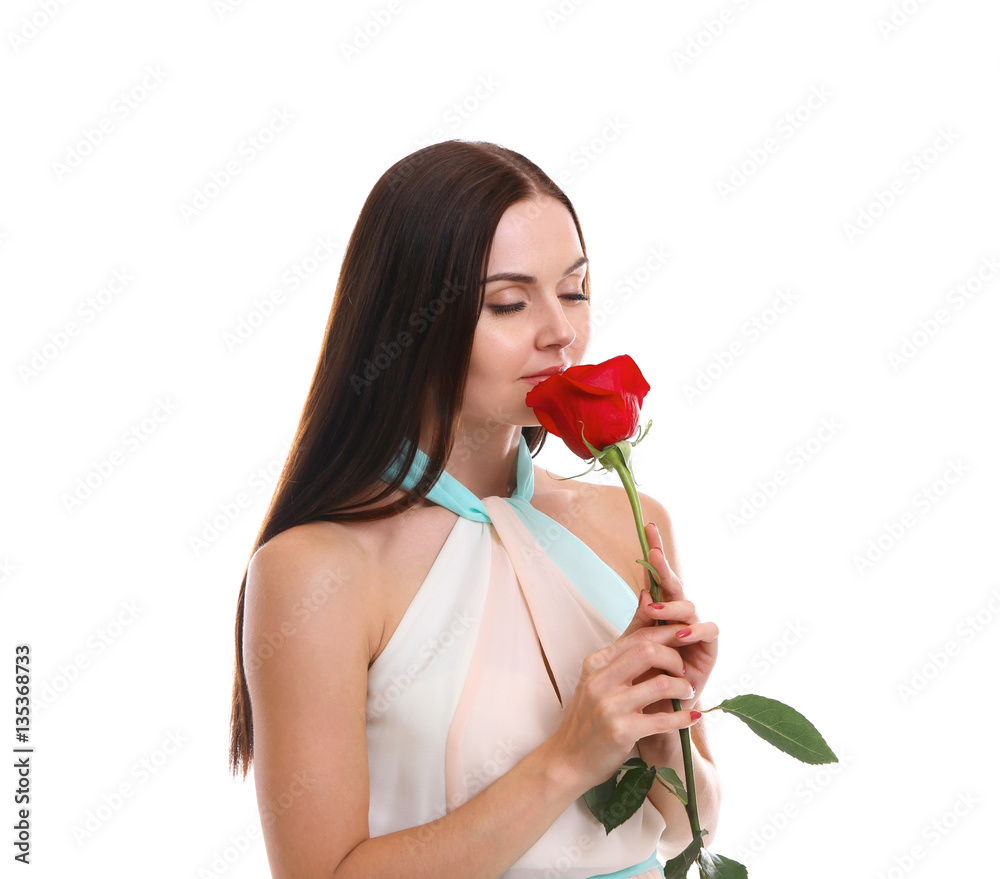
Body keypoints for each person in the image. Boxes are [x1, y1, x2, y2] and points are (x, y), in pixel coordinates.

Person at [228, 139, 721, 879]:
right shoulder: (317, 569)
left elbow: (691, 826)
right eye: (509, 303)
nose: (561, 331)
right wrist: (568, 757)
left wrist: (660, 732)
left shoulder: (630, 521)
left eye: (575, 290)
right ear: (408, 322)